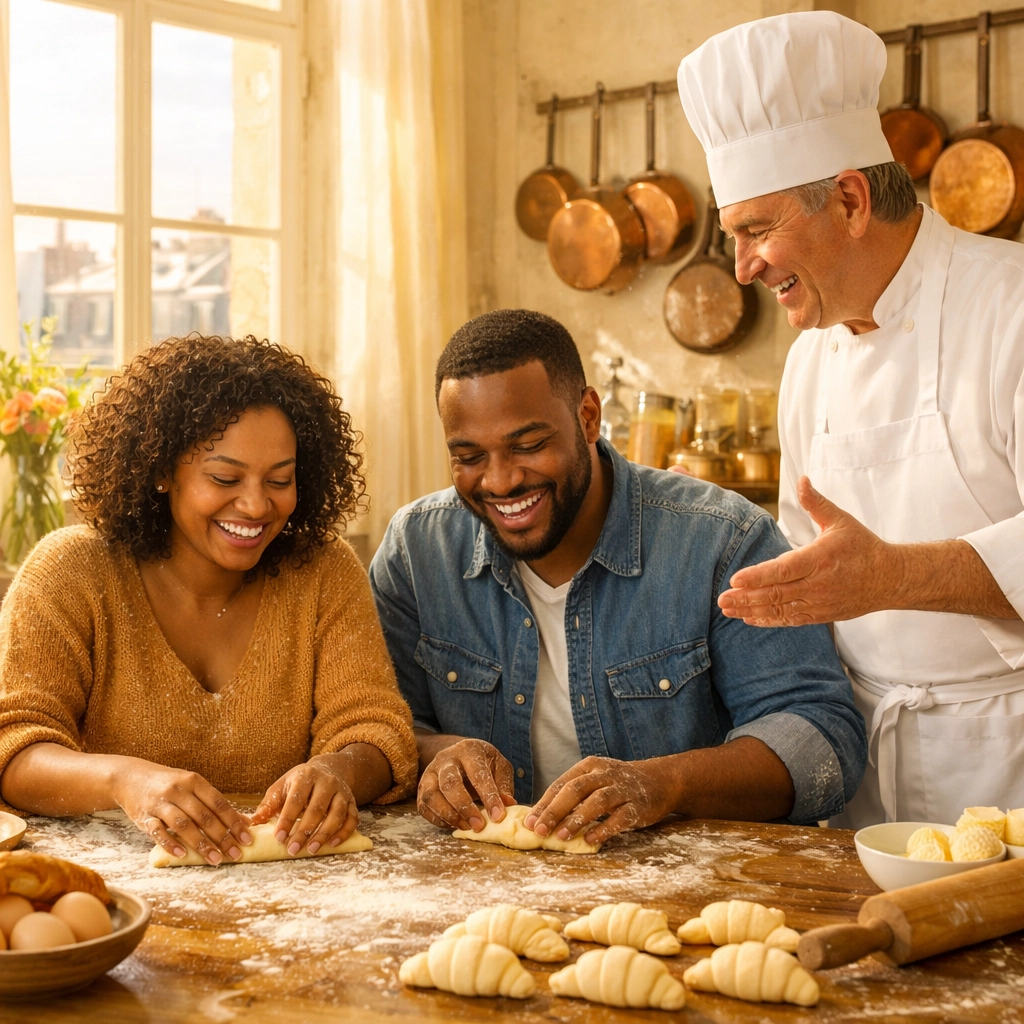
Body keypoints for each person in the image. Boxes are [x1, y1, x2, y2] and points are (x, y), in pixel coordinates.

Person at [677, 11, 1024, 827]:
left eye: (757, 230)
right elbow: (815, 574)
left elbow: (867, 575)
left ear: (851, 198)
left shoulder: (1010, 311)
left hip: (1011, 765)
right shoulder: (809, 361)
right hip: (867, 786)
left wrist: (894, 576)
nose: (742, 267)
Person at [369, 309, 866, 847]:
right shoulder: (417, 550)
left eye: (529, 445)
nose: (500, 480)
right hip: (487, 891)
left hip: (700, 888)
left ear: (587, 417)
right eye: (468, 456)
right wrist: (438, 754)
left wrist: (663, 785)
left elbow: (822, 741)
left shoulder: (723, 540)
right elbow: (379, 725)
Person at [0, 335, 418, 863]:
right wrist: (125, 779)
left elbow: (376, 728)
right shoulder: (70, 572)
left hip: (292, 900)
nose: (255, 504)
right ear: (159, 470)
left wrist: (340, 770)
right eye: (224, 477)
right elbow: (13, 750)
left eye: (280, 479)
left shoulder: (322, 570)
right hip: (108, 898)